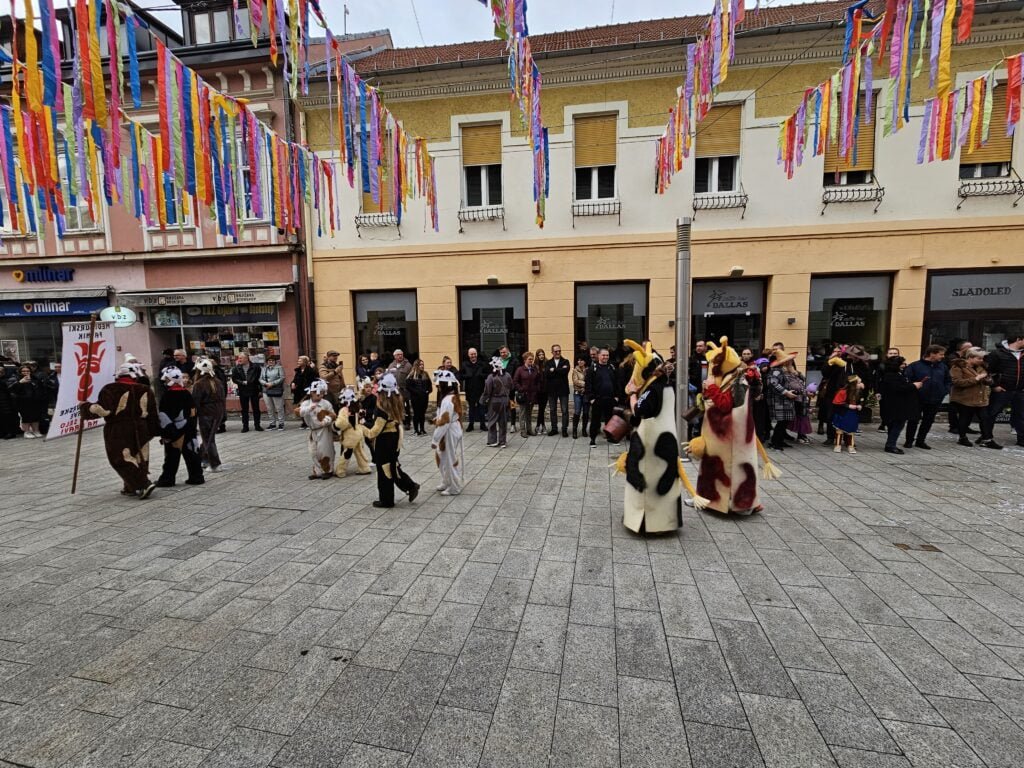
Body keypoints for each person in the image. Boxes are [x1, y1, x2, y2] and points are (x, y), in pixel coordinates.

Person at [686, 337, 777, 516]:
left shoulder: (737, 380)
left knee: (735, 469)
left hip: (731, 437)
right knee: (713, 467)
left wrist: (711, 389)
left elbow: (726, 405)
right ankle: (707, 498)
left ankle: (741, 503)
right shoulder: (729, 377)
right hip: (720, 435)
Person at [615, 342, 689, 533]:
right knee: (664, 483)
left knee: (647, 481)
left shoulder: (652, 389)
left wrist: (633, 396)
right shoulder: (666, 385)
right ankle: (665, 521)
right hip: (665, 440)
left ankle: (645, 523)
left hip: (650, 443)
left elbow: (640, 411)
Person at [82, 358, 160, 499]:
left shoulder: (111, 389)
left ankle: (143, 484)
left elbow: (104, 410)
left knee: (120, 459)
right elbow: (153, 413)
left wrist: (85, 407)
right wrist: (154, 431)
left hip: (119, 429)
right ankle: (130, 486)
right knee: (139, 457)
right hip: (141, 428)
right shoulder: (146, 389)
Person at [364, 373, 420, 508]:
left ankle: (387, 500)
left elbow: (373, 432)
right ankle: (410, 486)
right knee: (392, 466)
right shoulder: (396, 401)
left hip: (384, 441)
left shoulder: (382, 409)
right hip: (394, 437)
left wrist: (361, 426)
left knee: (385, 470)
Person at [154, 367, 204, 487]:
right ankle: (196, 476)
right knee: (191, 453)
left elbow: (164, 416)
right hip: (189, 429)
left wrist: (167, 433)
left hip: (174, 430)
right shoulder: (186, 394)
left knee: (171, 456)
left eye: (166, 379)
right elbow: (193, 412)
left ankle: (167, 479)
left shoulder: (167, 396)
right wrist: (191, 427)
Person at [950, 347, 1000, 449]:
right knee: (965, 418)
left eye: (982, 358)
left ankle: (987, 439)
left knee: (985, 418)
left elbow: (987, 381)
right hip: (965, 398)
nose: (981, 360)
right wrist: (976, 378)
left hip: (981, 398)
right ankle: (962, 438)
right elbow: (957, 382)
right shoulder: (958, 367)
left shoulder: (981, 367)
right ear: (970, 357)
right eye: (979, 358)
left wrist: (988, 380)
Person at [904, 345, 951, 450]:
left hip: (935, 398)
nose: (943, 356)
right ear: (932, 354)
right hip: (917, 398)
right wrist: (914, 389)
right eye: (941, 354)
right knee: (913, 420)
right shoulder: (915, 366)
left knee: (928, 420)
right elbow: (907, 380)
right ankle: (909, 440)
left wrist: (944, 391)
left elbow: (948, 380)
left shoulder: (943, 367)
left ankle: (921, 440)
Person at [986, 334, 1024, 448]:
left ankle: (1022, 439)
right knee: (992, 413)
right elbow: (988, 371)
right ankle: (986, 437)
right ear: (1018, 339)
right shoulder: (997, 353)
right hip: (1002, 389)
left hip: (1020, 390)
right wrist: (994, 385)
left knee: (1021, 415)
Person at [877, 356, 920, 454]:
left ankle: (891, 443)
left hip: (894, 405)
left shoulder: (894, 374)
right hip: (896, 406)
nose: (905, 365)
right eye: (902, 363)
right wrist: (914, 386)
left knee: (893, 425)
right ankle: (890, 445)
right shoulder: (892, 376)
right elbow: (899, 388)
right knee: (897, 425)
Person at [432, 370, 465, 496]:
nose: (438, 387)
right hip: (452, 428)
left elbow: (445, 421)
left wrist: (435, 439)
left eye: (440, 385)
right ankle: (446, 481)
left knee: (449, 458)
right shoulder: (450, 397)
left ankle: (454, 486)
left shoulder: (448, 399)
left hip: (450, 430)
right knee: (442, 456)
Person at [192, 359, 227, 472]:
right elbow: (223, 398)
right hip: (218, 412)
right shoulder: (217, 382)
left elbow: (195, 402)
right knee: (209, 437)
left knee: (208, 438)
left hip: (206, 413)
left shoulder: (198, 384)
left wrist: (193, 415)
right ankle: (203, 458)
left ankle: (215, 464)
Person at [298, 379, 336, 480]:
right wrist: (309, 408)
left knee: (325, 450)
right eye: (317, 393)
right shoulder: (306, 403)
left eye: (322, 393)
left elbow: (332, 415)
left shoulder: (326, 403)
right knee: (313, 451)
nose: (320, 395)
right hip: (313, 430)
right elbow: (299, 412)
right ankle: (318, 471)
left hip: (324, 430)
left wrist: (327, 420)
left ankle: (328, 470)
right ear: (311, 392)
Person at [766, 351, 802, 450]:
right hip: (778, 400)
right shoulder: (776, 370)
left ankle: (779, 441)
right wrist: (786, 392)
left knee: (784, 421)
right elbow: (772, 383)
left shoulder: (780, 369)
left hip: (782, 399)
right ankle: (775, 442)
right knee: (781, 422)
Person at [334, 387, 373, 476]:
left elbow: (341, 423)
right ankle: (365, 468)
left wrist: (334, 426)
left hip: (350, 434)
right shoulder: (357, 407)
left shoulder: (344, 410)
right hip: (358, 432)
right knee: (359, 451)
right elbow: (362, 414)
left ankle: (340, 471)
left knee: (347, 453)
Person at [586, 348, 617, 447]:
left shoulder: (612, 368)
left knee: (610, 420)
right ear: (599, 356)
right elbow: (588, 384)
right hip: (597, 399)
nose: (605, 357)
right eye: (603, 355)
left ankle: (610, 437)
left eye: (607, 355)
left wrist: (616, 396)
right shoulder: (592, 369)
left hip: (610, 399)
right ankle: (593, 439)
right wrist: (591, 398)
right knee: (595, 420)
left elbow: (616, 382)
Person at [946, 340, 975, 435]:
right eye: (969, 347)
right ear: (963, 348)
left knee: (966, 406)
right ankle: (953, 426)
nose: (971, 349)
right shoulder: (953, 358)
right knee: (954, 406)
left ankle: (964, 426)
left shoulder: (967, 358)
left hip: (967, 384)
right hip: (955, 384)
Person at [831, 376, 865, 454]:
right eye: (859, 383)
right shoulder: (843, 392)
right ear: (853, 384)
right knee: (839, 430)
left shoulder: (859, 392)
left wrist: (860, 405)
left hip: (852, 414)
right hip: (843, 413)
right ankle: (838, 445)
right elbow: (837, 402)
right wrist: (848, 406)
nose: (861, 384)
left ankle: (850, 446)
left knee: (851, 430)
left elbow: (861, 401)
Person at [484, 356, 512, 448]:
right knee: (503, 422)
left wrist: (483, 400)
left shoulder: (491, 377)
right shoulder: (508, 375)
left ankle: (492, 441)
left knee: (492, 421)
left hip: (494, 401)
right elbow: (511, 386)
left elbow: (487, 390)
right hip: (505, 400)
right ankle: (502, 441)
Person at [230, 353, 263, 432]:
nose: (239, 360)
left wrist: (260, 390)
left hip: (254, 389)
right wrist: (242, 382)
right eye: (239, 358)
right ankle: (245, 426)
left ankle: (257, 425)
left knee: (256, 408)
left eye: (241, 358)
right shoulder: (236, 368)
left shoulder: (255, 367)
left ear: (246, 358)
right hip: (243, 390)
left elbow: (259, 378)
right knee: (244, 409)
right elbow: (234, 379)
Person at [544, 344, 571, 437]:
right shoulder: (548, 362)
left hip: (563, 389)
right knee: (552, 410)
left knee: (565, 410)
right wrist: (559, 370)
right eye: (556, 351)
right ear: (552, 352)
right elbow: (547, 374)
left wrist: (554, 370)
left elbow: (565, 372)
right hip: (551, 390)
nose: (558, 352)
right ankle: (554, 429)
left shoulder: (565, 361)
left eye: (559, 351)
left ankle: (564, 429)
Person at [512, 352, 541, 437]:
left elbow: (538, 380)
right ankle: (522, 430)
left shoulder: (534, 369)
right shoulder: (520, 369)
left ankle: (529, 429)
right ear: (525, 360)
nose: (531, 361)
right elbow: (515, 381)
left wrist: (536, 389)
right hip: (523, 395)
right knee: (522, 413)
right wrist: (521, 389)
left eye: (532, 359)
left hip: (532, 395)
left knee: (529, 413)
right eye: (529, 359)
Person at [11, 364, 44, 438]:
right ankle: (27, 432)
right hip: (23, 402)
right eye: (23, 371)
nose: (26, 372)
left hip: (35, 401)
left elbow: (40, 388)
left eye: (27, 371)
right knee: (26, 417)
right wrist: (20, 382)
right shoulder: (16, 378)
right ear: (20, 372)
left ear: (30, 371)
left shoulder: (35, 379)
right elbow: (12, 389)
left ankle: (36, 431)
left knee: (36, 417)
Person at [460, 347, 487, 432]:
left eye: (474, 354)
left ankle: (483, 424)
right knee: (471, 408)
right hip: (470, 390)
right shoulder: (464, 364)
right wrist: (466, 376)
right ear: (468, 355)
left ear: (477, 354)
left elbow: (488, 374)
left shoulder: (482, 364)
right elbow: (460, 376)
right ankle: (471, 425)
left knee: (481, 408)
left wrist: (481, 375)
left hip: (480, 389)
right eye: (471, 354)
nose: (473, 355)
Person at [875, 347, 902, 432]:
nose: (893, 355)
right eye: (891, 353)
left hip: (898, 391)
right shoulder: (882, 366)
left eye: (895, 353)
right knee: (884, 408)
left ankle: (890, 424)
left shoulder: (902, 365)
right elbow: (877, 379)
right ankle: (884, 423)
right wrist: (877, 391)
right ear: (887, 355)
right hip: (884, 391)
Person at [386, 349, 413, 429]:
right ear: (394, 356)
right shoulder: (391, 365)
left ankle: (407, 423)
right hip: (394, 390)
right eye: (398, 355)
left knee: (405, 407)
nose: (400, 356)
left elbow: (411, 378)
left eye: (401, 354)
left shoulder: (408, 365)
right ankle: (397, 422)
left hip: (404, 390)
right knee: (395, 406)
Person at [406, 359, 433, 436]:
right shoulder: (411, 375)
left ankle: (422, 429)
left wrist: (427, 391)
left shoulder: (425, 374)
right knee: (416, 414)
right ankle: (416, 430)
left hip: (424, 397)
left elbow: (430, 386)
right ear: (416, 365)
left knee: (422, 413)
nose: (422, 366)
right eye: (420, 364)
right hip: (415, 398)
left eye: (423, 364)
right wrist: (417, 392)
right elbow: (408, 387)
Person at [259, 355, 287, 430]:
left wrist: (272, 383)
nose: (271, 362)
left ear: (275, 361)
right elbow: (260, 379)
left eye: (272, 360)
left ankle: (281, 423)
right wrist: (266, 383)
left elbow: (282, 378)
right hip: (266, 390)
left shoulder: (279, 368)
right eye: (269, 360)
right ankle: (272, 423)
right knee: (269, 408)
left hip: (276, 390)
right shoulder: (264, 369)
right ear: (267, 362)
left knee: (279, 407)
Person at [291, 356, 318, 423]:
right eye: (298, 361)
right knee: (301, 406)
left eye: (300, 361)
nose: (298, 362)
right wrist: (293, 383)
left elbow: (314, 380)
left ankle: (308, 422)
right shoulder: (298, 370)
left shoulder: (310, 370)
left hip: (307, 391)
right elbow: (295, 379)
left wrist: (311, 390)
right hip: (299, 391)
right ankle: (304, 421)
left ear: (305, 362)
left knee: (307, 406)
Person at [571, 357, 589, 439]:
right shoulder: (575, 370)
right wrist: (586, 384)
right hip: (577, 394)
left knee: (586, 412)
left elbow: (591, 381)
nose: (580, 361)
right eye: (578, 360)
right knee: (577, 411)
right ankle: (574, 430)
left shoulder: (588, 370)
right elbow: (575, 381)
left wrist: (586, 387)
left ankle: (584, 430)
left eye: (581, 360)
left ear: (585, 361)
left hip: (586, 394)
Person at [533, 349, 548, 434]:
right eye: (539, 355)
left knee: (542, 408)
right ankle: (541, 425)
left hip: (546, 390)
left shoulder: (547, 364)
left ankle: (539, 426)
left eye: (543, 354)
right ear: (537, 356)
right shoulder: (535, 366)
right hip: (538, 391)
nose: (541, 356)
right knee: (541, 408)